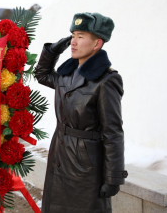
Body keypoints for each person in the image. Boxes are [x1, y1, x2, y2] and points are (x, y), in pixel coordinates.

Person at [35, 12, 128, 213]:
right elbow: (42, 74)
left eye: (81, 36)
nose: (74, 42)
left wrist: (114, 177)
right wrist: (51, 52)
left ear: (97, 44)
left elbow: (113, 132)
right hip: (60, 155)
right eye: (73, 35)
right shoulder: (66, 75)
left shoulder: (106, 80)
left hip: (85, 166)